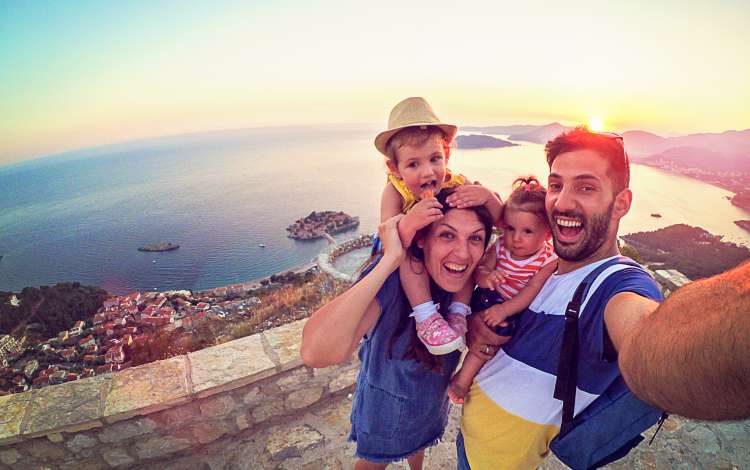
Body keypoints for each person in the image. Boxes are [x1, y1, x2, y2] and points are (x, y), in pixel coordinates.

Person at [457, 127, 666, 469]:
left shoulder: (615, 284)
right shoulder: (539, 267)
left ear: (621, 203)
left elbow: (652, 339)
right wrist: (474, 324)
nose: (562, 202)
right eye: (555, 186)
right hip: (468, 436)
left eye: (586, 187)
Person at [301, 188, 494, 469]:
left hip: (429, 409)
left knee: (421, 447)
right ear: (422, 240)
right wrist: (390, 258)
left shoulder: (465, 287)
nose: (463, 253)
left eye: (475, 238)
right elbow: (315, 352)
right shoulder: (393, 284)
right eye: (447, 235)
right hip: (384, 415)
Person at [374, 97, 502, 355]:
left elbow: (501, 220)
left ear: (447, 154)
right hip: (408, 249)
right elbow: (389, 238)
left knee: (464, 255)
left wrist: (487, 197)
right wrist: (410, 223)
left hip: (441, 250)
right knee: (412, 260)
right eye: (413, 164)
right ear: (394, 168)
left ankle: (458, 312)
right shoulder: (394, 191)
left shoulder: (457, 181)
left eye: (434, 159)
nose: (428, 173)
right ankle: (427, 318)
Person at [448, 176, 557, 404]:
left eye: (527, 231)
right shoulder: (500, 247)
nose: (516, 238)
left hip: (511, 307)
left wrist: (505, 310)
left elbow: (532, 289)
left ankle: (468, 376)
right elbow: (480, 270)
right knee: (493, 335)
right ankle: (462, 380)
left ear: (547, 233)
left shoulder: (547, 259)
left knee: (497, 336)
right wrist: (487, 277)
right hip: (487, 298)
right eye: (510, 228)